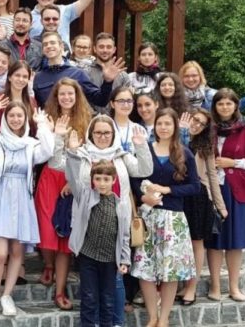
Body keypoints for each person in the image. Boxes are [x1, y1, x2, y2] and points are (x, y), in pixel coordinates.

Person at [54, 114, 152, 326]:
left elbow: (145, 170)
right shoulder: (81, 154)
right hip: (88, 228)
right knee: (90, 292)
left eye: (107, 132)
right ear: (91, 133)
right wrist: (65, 145)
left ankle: (115, 322)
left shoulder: (121, 155)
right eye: (98, 132)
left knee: (114, 284)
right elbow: (57, 165)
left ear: (113, 134)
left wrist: (141, 146)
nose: (102, 136)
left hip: (116, 223)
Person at [0, 99, 54, 317]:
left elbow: (48, 150)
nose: (16, 119)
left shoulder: (30, 143)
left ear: (25, 118)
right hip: (1, 196)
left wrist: (42, 125)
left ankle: (7, 295)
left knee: (17, 251)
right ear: (6, 118)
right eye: (12, 116)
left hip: (22, 198)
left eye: (20, 115)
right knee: (0, 253)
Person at [131, 108, 201, 327]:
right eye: (160, 123)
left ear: (175, 127)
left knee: (170, 271)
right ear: (155, 126)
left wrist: (168, 190)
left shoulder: (184, 153)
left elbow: (195, 186)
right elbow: (134, 178)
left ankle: (164, 319)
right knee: (145, 268)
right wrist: (143, 196)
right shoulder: (145, 149)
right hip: (148, 217)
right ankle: (152, 316)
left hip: (173, 219)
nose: (163, 127)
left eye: (168, 124)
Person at [35, 78, 92, 311]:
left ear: (77, 96)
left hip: (74, 180)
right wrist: (57, 135)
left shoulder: (87, 120)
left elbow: (89, 154)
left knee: (65, 237)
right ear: (56, 97)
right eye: (62, 94)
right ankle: (48, 264)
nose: (66, 98)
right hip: (51, 177)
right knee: (47, 228)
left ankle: (60, 290)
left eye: (70, 93)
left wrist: (73, 179)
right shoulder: (46, 118)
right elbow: (49, 155)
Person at [205, 89, 245, 302]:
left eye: (229, 103)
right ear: (215, 106)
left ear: (236, 106)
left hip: (238, 189)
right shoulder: (208, 128)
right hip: (213, 189)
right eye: (220, 103)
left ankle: (233, 286)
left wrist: (233, 163)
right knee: (215, 239)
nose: (225, 107)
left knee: (235, 239)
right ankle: (214, 286)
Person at [64, 158, 130, 327]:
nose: (102, 183)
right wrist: (72, 154)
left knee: (108, 299)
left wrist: (124, 259)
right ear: (92, 180)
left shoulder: (120, 205)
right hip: (88, 257)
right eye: (98, 179)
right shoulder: (85, 196)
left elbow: (124, 235)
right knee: (89, 297)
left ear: (114, 180)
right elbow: (72, 178)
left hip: (110, 260)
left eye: (106, 179)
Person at [177, 108, 226, 305]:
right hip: (177, 195)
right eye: (195, 120)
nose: (196, 125)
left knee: (197, 243)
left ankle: (192, 287)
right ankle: (181, 284)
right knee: (179, 242)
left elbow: (212, 177)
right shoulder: (175, 139)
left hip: (199, 197)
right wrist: (181, 132)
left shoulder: (205, 147)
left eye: (202, 123)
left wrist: (220, 206)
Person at [33, 31, 122, 108]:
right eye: (45, 44)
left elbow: (100, 101)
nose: (49, 46)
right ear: (43, 50)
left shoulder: (78, 73)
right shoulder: (38, 77)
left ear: (61, 46)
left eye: (52, 43)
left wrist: (107, 82)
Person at [178, 60, 245, 111]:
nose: (191, 79)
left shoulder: (211, 95)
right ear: (181, 78)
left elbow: (235, 107)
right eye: (186, 76)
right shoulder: (176, 97)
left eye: (194, 75)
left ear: (200, 76)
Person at [86, 33, 131, 114]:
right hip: (91, 119)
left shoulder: (123, 76)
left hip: (116, 119)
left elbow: (127, 100)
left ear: (114, 50)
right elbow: (83, 100)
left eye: (109, 47)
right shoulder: (86, 73)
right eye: (101, 47)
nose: (105, 50)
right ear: (95, 49)